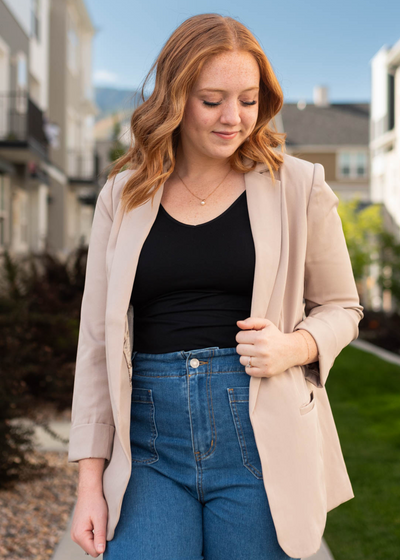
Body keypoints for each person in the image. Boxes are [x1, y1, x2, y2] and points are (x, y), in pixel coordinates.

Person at [68, 13, 364, 560]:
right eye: (212, 100)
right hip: (149, 446)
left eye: (248, 100)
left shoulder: (298, 185)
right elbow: (96, 344)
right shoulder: (122, 194)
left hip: (260, 437)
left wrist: (293, 346)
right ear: (175, 99)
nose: (234, 118)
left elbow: (343, 306)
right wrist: (90, 484)